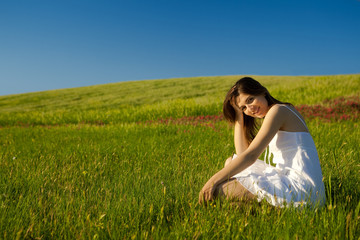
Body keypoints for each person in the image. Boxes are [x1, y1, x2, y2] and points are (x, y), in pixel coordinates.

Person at [198, 77, 326, 207]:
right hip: (294, 183)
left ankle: (265, 209)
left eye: (250, 100)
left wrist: (211, 182)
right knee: (230, 162)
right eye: (244, 108)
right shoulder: (279, 111)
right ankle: (260, 210)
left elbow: (250, 156)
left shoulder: (279, 111)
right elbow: (242, 154)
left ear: (262, 92)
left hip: (303, 191)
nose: (250, 108)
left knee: (218, 190)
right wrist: (238, 114)